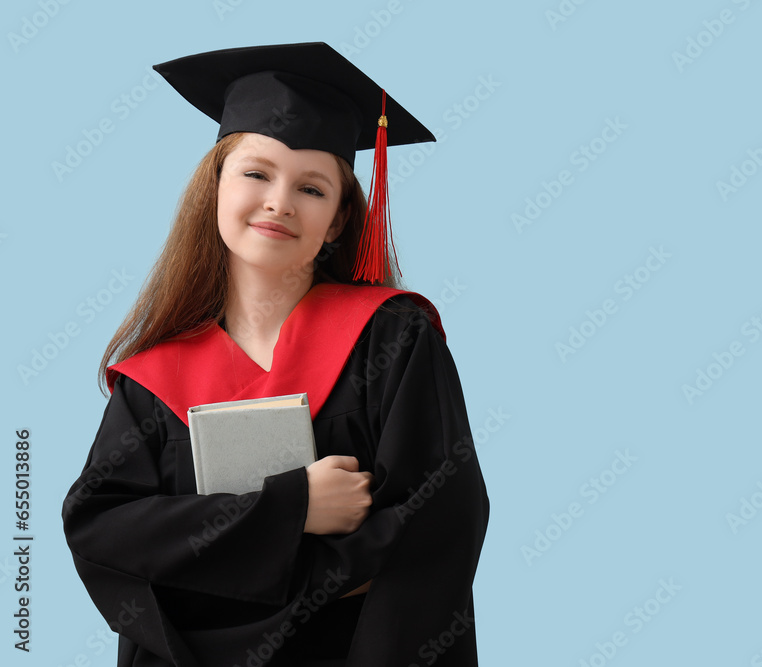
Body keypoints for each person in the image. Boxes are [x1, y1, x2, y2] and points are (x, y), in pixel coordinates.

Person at [61, 42, 489, 667]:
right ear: (214, 188)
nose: (279, 202)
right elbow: (103, 533)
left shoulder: (392, 339)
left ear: (340, 220)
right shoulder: (153, 376)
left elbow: (436, 525)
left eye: (312, 188)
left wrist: (215, 562)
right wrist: (295, 510)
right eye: (256, 173)